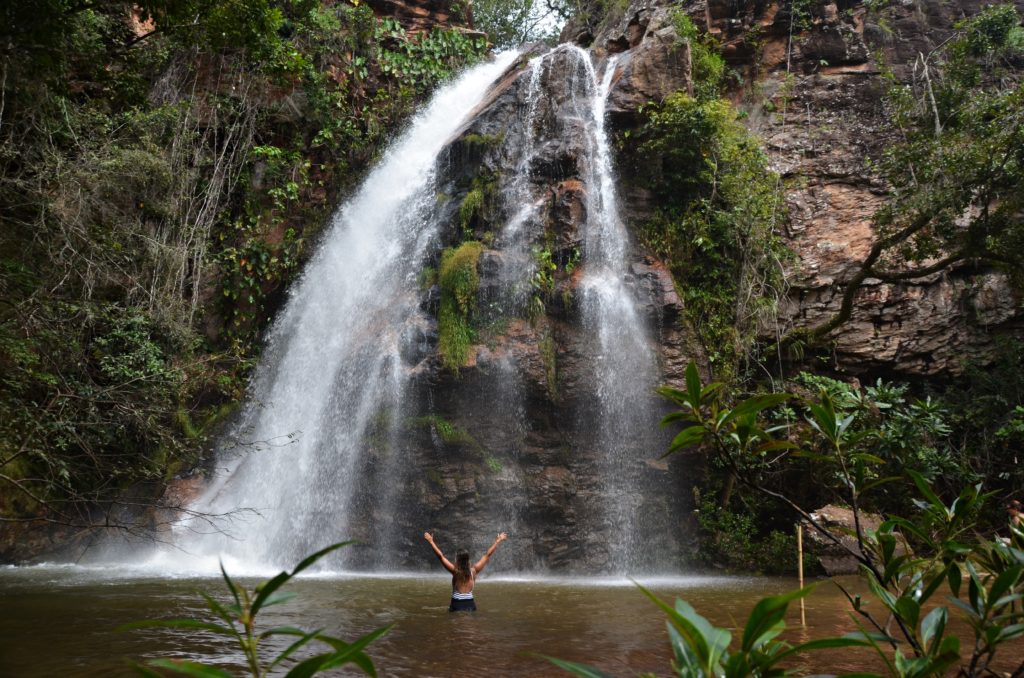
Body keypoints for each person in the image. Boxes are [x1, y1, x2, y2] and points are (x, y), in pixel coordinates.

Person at [424, 531, 508, 612]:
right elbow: (487, 555)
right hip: (470, 604)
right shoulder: (474, 571)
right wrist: (497, 541)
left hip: (457, 604)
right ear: (468, 560)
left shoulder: (455, 572)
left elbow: (441, 556)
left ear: (457, 560)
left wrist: (431, 542)